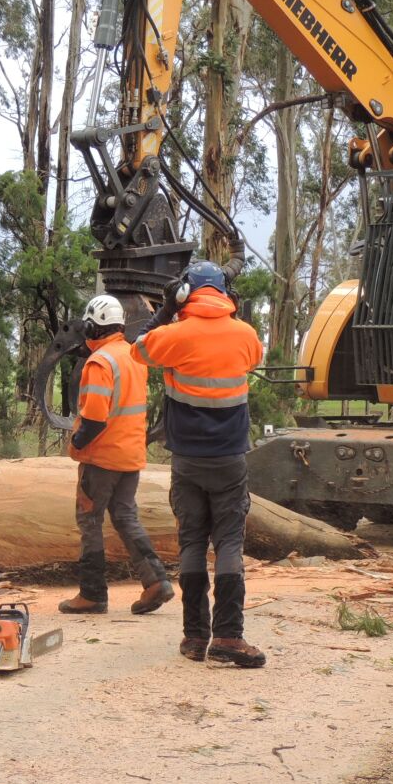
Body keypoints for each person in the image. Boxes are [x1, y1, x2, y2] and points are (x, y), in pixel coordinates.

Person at [132, 261, 266, 667]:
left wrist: (167, 312)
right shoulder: (245, 334)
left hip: (186, 460)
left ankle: (194, 637)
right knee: (228, 543)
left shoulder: (173, 335)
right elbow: (253, 358)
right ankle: (228, 637)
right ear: (227, 295)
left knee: (192, 543)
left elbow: (137, 346)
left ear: (184, 294)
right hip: (229, 459)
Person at [59, 294, 174, 617]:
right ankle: (155, 581)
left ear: (95, 327)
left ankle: (92, 594)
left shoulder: (100, 363)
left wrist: (78, 444)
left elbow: (95, 416)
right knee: (125, 517)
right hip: (131, 455)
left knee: (89, 521)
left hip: (101, 459)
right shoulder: (132, 355)